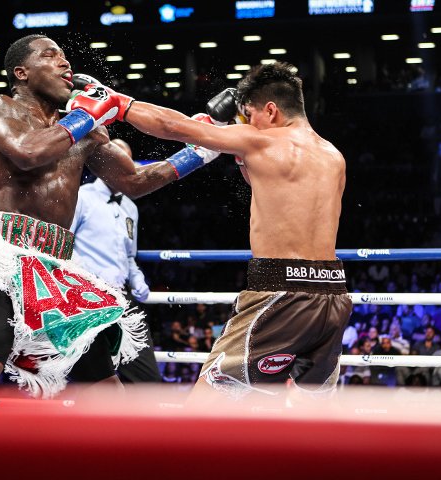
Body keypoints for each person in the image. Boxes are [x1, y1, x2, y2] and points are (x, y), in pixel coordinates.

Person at [0, 34, 218, 406]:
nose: (64, 63)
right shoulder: (0, 108)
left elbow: (134, 181)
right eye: (50, 56)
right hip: (5, 257)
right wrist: (88, 114)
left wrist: (200, 151)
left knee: (107, 391)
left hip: (57, 272)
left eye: (65, 57)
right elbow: (27, 153)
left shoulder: (85, 129)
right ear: (21, 72)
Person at [93, 61, 353, 399]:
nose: (248, 124)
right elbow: (273, 186)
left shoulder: (261, 140)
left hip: (281, 294)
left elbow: (175, 126)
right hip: (333, 296)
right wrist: (239, 147)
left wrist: (118, 103)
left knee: (204, 405)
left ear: (270, 110)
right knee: (306, 411)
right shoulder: (333, 156)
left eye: (250, 115)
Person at [70, 138, 162, 383]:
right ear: (103, 163)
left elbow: (129, 255)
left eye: (127, 161)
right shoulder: (81, 197)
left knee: (147, 381)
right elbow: (64, 243)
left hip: (122, 298)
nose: (124, 167)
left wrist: (137, 277)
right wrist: (86, 277)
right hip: (87, 300)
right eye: (118, 160)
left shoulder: (130, 207)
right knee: (95, 381)